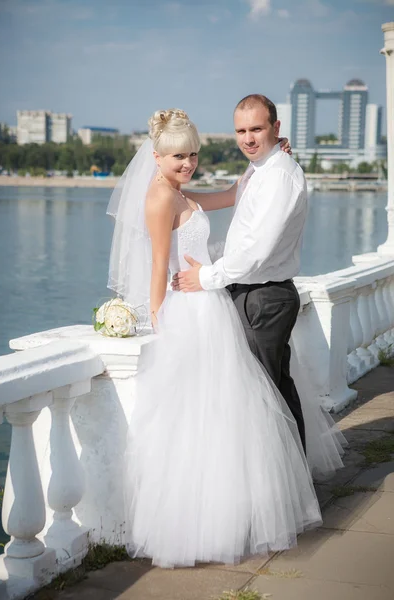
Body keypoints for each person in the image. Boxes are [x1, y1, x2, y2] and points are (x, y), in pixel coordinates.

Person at [107, 108, 322, 569]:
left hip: (211, 302)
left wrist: (265, 157)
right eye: (178, 156)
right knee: (202, 413)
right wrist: (161, 318)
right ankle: (205, 518)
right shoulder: (160, 198)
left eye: (193, 155)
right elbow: (160, 266)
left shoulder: (180, 191)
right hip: (191, 308)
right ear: (157, 155)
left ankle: (235, 509)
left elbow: (230, 194)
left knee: (229, 409)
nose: (188, 164)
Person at [172, 94, 346, 475]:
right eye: (241, 130)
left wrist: (206, 277)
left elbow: (257, 250)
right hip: (252, 294)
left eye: (257, 129)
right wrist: (174, 198)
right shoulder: (260, 170)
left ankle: (284, 489)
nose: (248, 138)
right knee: (275, 393)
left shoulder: (279, 175)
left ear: (275, 128)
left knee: (266, 399)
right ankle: (290, 482)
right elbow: (240, 228)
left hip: (264, 298)